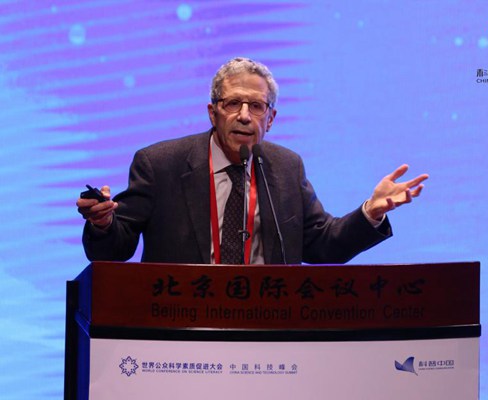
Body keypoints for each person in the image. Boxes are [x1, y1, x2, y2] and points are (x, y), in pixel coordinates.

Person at [76, 57, 428, 265]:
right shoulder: (160, 165)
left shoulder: (286, 167)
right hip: (182, 324)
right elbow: (115, 250)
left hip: (266, 326)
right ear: (212, 112)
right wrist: (103, 224)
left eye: (256, 106)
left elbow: (321, 244)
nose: (244, 116)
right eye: (233, 104)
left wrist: (370, 213)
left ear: (270, 119)